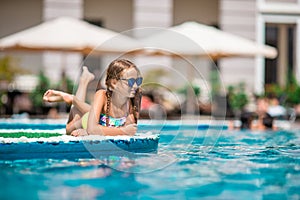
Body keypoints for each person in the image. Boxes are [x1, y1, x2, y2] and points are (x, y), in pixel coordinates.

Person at [43, 59, 143, 136]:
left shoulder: (135, 98)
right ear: (113, 83)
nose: (135, 86)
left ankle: (73, 99)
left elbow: (131, 129)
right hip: (86, 120)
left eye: (138, 81)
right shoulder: (102, 95)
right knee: (69, 130)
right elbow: (93, 129)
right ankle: (81, 86)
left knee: (93, 112)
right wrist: (90, 131)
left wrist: (94, 131)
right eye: (130, 82)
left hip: (101, 120)